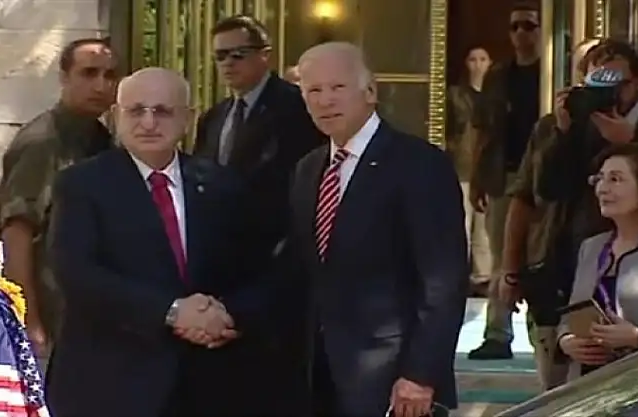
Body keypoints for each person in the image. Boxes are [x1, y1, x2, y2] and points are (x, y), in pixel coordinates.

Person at [45, 68, 258, 417]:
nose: (148, 123)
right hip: (108, 384)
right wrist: (170, 311)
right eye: (136, 111)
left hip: (203, 382)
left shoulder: (220, 184)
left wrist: (226, 314)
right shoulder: (81, 184)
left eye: (162, 111)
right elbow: (76, 272)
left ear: (188, 119)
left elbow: (251, 267)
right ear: (115, 116)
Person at [291, 41, 468, 417]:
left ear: (370, 91)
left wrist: (421, 374)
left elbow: (443, 281)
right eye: (313, 90)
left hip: (396, 379)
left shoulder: (419, 164)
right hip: (321, 377)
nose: (325, 100)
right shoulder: (308, 169)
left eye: (338, 87)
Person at [192, 15, 324, 414]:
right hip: (222, 271)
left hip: (279, 266)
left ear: (265, 55)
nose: (228, 64)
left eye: (238, 54)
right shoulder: (214, 118)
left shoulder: (298, 109)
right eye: (220, 56)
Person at [0, 38, 116, 359]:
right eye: (88, 73)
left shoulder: (101, 140)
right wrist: (29, 323)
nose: (101, 85)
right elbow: (17, 235)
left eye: (109, 75)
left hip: (87, 321)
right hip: (49, 322)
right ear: (64, 78)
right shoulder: (43, 142)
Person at [496, 38, 603, 391]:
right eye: (588, 72)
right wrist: (511, 270)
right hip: (551, 265)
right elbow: (523, 199)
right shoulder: (548, 128)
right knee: (554, 385)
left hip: (609, 269)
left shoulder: (632, 128)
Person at [469, 0, 542, 360]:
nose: (521, 34)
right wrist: (476, 177)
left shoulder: (551, 71)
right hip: (505, 172)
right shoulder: (499, 76)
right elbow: (482, 129)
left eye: (528, 26)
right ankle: (497, 334)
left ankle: (541, 331)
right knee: (501, 256)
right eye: (515, 27)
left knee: (541, 255)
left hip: (542, 178)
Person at [538, 40, 638, 275]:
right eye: (598, 85)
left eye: (618, 85)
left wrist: (631, 142)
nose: (609, 95)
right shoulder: (580, 120)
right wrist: (563, 133)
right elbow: (548, 189)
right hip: (580, 250)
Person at [557, 143, 638, 379]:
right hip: (590, 383)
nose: (602, 188)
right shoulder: (591, 247)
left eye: (615, 179)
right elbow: (571, 314)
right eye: (599, 179)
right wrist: (566, 340)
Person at [446, 45, 494, 292]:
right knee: (461, 223)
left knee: (485, 228)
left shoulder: (494, 97)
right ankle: (458, 276)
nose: (478, 64)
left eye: (482, 59)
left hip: (487, 167)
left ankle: (482, 277)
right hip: (460, 165)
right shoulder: (455, 95)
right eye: (473, 59)